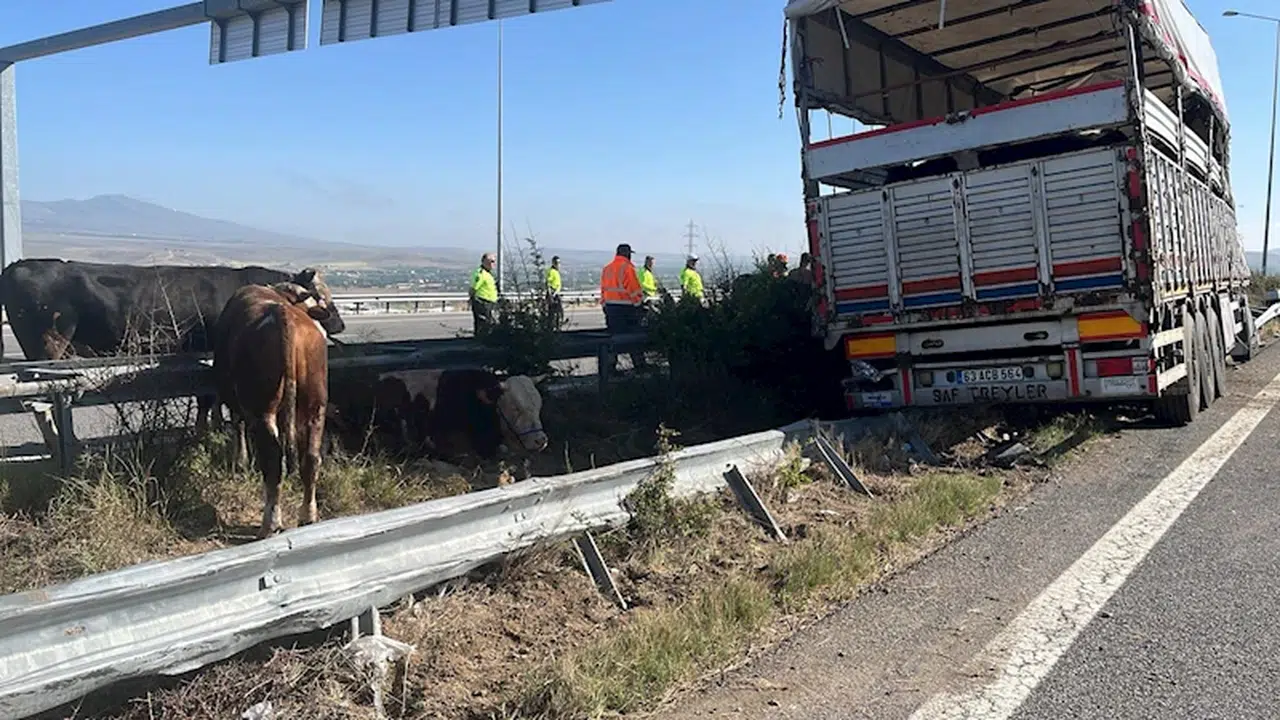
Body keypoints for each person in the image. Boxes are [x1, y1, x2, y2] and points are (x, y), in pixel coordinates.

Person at [599, 243, 647, 370]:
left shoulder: (607, 268)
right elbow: (634, 289)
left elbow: (603, 289)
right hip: (626, 309)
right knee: (634, 337)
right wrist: (639, 305)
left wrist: (604, 305)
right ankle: (639, 365)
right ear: (627, 254)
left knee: (613, 339)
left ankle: (610, 368)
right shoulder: (627, 268)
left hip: (610, 308)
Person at [469, 252, 498, 336]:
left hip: (489, 303)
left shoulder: (488, 273)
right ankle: (480, 341)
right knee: (483, 323)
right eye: (491, 261)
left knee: (488, 323)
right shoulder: (480, 274)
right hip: (482, 302)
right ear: (484, 262)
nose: (493, 263)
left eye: (494, 261)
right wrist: (473, 300)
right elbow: (473, 288)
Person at [546, 255, 564, 326]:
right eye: (556, 263)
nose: (558, 265)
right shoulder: (551, 271)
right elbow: (548, 283)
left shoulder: (556, 272)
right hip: (553, 293)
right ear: (553, 263)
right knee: (553, 312)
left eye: (559, 263)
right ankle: (552, 325)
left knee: (559, 311)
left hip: (556, 293)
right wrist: (551, 295)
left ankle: (557, 323)